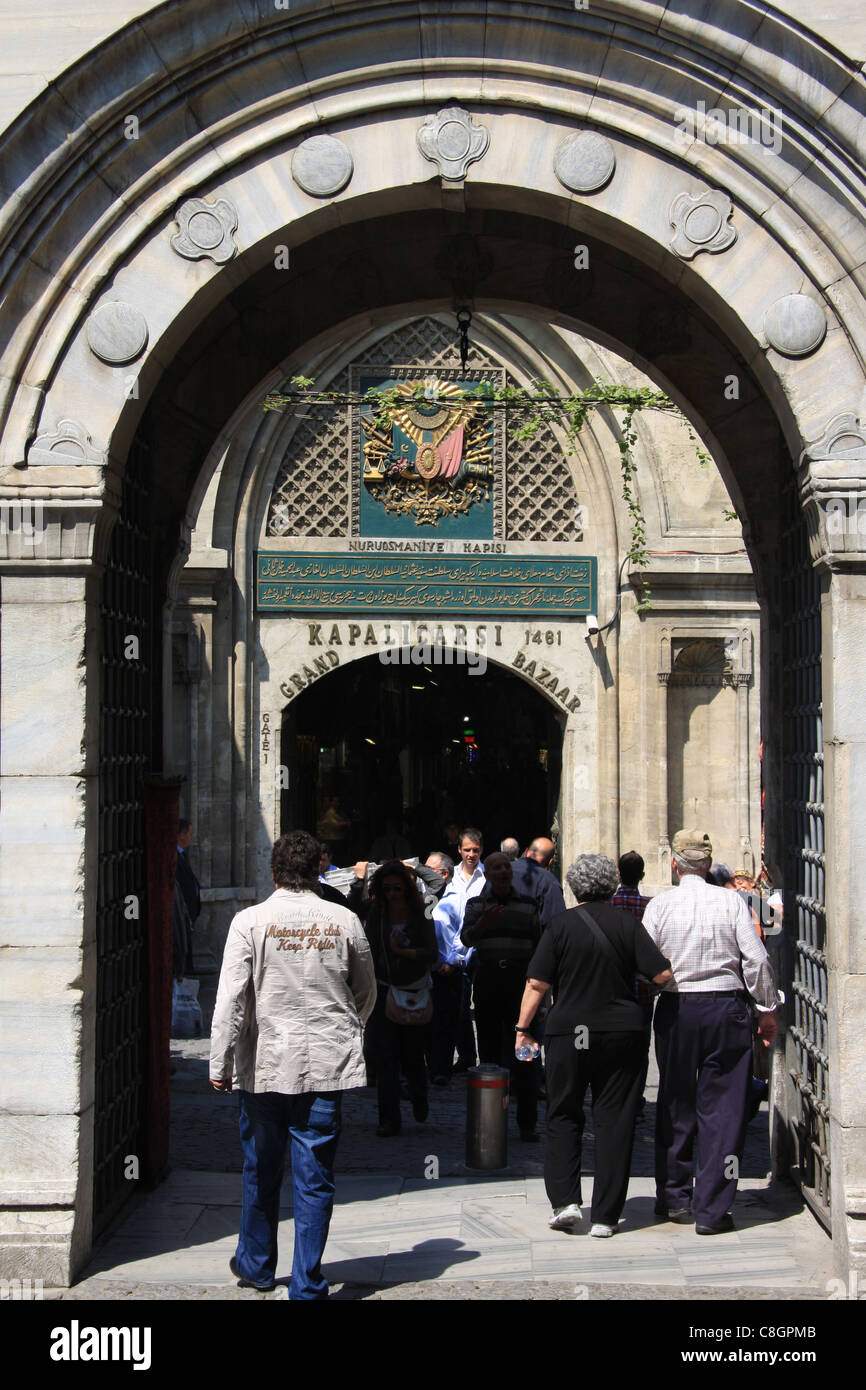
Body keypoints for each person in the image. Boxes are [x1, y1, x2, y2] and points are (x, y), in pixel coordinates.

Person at [209, 829, 376, 1299]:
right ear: (319, 869)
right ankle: (306, 1282)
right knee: (315, 1175)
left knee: (261, 1168)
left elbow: (231, 1000)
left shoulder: (250, 922)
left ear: (273, 870)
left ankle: (258, 1265)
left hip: (266, 1065)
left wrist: (219, 1060)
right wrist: (346, 1029)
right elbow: (366, 991)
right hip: (325, 1062)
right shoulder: (343, 920)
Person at [515, 854, 672, 1236]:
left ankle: (566, 1201)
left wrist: (522, 1027)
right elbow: (663, 974)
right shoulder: (627, 924)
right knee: (615, 1118)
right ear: (611, 885)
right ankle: (605, 1215)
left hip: (570, 1031)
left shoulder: (559, 925)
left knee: (564, 1111)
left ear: (573, 886)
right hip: (622, 1030)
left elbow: (537, 983)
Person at [642, 829, 779, 1235]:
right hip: (726, 1009)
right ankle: (713, 1209)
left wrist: (659, 983)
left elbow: (645, 959)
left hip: (677, 1007)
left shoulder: (660, 905)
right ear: (707, 864)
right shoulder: (731, 902)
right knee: (723, 1110)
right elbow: (756, 959)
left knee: (674, 1101)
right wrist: (766, 1009)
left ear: (674, 863)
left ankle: (672, 1196)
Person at [462, 852, 542, 1141]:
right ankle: (492, 1123)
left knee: (527, 1055)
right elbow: (466, 939)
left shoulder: (529, 904)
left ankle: (528, 1124)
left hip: (521, 986)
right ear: (488, 874)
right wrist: (482, 923)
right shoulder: (475, 904)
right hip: (489, 982)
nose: (503, 871)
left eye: (506, 866)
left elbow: (540, 945)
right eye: (496, 867)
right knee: (490, 1057)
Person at [355, 859, 438, 1136]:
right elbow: (367, 949)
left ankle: (419, 1096)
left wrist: (404, 952)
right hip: (384, 990)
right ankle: (388, 1119)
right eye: (387, 889)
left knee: (413, 1054)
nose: (392, 894)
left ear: (407, 888)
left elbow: (431, 953)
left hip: (413, 989)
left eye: (397, 889)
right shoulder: (377, 913)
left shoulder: (421, 913)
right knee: (385, 1057)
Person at [611, 851, 653, 1115]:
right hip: (642, 989)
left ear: (618, 873)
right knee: (640, 1047)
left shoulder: (607, 906)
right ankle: (635, 1101)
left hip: (611, 986)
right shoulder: (651, 906)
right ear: (643, 875)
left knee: (612, 1043)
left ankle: (613, 1098)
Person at [511, 836, 566, 926]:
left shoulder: (499, 870)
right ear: (550, 862)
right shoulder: (549, 881)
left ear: (526, 852)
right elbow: (557, 924)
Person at [176, 818, 201, 926]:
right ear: (181, 835)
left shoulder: (182, 855)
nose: (191, 837)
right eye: (189, 834)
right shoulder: (175, 857)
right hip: (182, 915)